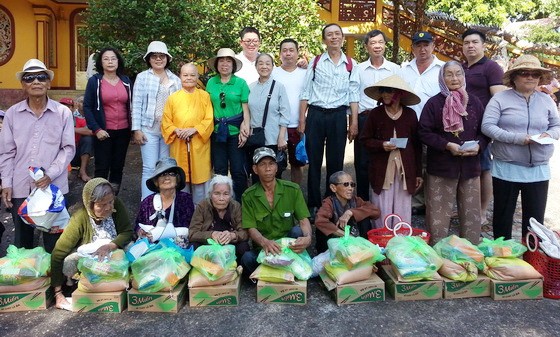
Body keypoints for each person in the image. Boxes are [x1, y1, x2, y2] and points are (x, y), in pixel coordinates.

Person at [0, 59, 75, 252]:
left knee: (54, 243)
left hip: (53, 187)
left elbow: (68, 148)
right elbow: (7, 152)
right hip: (21, 186)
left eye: (41, 77)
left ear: (48, 83)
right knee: (23, 243)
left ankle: (54, 281)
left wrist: (50, 173)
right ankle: (29, 281)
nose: (36, 81)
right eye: (29, 78)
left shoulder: (63, 113)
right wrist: (6, 183)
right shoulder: (12, 114)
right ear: (23, 84)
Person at [482, 54, 560, 240]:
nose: (530, 77)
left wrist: (548, 135)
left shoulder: (546, 100)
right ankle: (503, 258)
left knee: (535, 222)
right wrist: (517, 138)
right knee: (503, 217)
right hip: (506, 167)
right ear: (514, 77)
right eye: (525, 73)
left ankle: (531, 259)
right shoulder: (500, 99)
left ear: (540, 78)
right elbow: (487, 126)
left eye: (535, 74)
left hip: (538, 170)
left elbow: (556, 126)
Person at [418, 61, 488, 245]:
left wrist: (479, 145)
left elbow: (485, 131)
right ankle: (438, 256)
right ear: (442, 78)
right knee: (438, 217)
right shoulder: (434, 103)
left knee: (471, 215)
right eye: (449, 74)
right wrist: (446, 144)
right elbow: (424, 132)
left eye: (458, 74)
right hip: (442, 167)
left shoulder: (474, 102)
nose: (454, 78)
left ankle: (471, 253)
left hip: (470, 167)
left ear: (464, 77)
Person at [299, 23, 360, 216]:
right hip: (316, 115)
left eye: (337, 34)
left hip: (338, 116)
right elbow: (305, 92)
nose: (334, 37)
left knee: (336, 161)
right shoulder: (316, 62)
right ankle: (314, 202)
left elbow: (354, 95)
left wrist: (354, 123)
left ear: (342, 37)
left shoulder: (351, 64)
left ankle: (332, 201)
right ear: (324, 40)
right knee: (314, 161)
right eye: (329, 35)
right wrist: (302, 120)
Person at [50, 178, 133, 310]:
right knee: (68, 262)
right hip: (91, 261)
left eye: (110, 202)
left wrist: (110, 246)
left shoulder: (117, 204)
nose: (108, 208)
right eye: (101, 205)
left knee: (135, 249)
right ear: (90, 204)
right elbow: (58, 253)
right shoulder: (79, 218)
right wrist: (58, 294)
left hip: (114, 251)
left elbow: (127, 231)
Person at [360, 75, 423, 228]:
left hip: (404, 168)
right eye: (383, 91)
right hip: (382, 168)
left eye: (389, 91)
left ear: (399, 93)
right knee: (382, 204)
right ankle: (381, 239)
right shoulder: (375, 114)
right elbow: (365, 139)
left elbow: (417, 145)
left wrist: (418, 173)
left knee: (402, 203)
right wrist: (382, 145)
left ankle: (401, 239)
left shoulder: (410, 115)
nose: (385, 95)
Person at [241, 147, 312, 276]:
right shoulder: (248, 196)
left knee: (297, 231)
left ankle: (278, 272)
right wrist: (265, 242)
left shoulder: (292, 189)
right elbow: (250, 228)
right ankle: (273, 274)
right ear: (255, 169)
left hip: (288, 247)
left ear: (276, 167)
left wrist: (308, 238)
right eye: (262, 164)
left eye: (271, 164)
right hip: (265, 249)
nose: (268, 168)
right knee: (247, 258)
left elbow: (303, 220)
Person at [461, 29, 506, 226]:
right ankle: (467, 207)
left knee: (484, 168)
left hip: (482, 127)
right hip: (461, 126)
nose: (470, 46)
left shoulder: (491, 67)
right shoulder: (461, 68)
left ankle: (482, 210)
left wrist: (492, 126)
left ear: (483, 45)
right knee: (467, 167)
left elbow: (499, 98)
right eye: (466, 43)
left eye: (474, 42)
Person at [401, 31, 445, 215]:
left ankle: (433, 202)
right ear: (412, 49)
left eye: (426, 45)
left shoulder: (442, 69)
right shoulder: (404, 69)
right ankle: (415, 201)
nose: (422, 49)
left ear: (433, 46)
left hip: (434, 127)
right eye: (418, 45)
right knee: (412, 162)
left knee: (433, 164)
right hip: (409, 126)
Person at [132, 41, 182, 200]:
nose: (158, 59)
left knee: (165, 167)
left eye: (162, 56)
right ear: (149, 59)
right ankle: (147, 205)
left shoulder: (175, 79)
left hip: (168, 131)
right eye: (154, 56)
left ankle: (164, 204)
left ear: (167, 58)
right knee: (149, 168)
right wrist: (136, 129)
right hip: (148, 129)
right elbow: (137, 104)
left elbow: (180, 106)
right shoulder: (142, 77)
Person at [355, 30, 400, 201]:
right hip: (364, 118)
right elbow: (354, 96)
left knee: (385, 158)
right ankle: (362, 201)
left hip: (387, 118)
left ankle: (384, 200)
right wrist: (352, 122)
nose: (377, 46)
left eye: (380, 42)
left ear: (385, 45)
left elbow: (400, 95)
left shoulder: (395, 69)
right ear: (366, 46)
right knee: (362, 162)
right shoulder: (358, 69)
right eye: (373, 43)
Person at [161, 63, 214, 204]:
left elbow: (209, 119)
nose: (189, 78)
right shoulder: (173, 98)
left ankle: (200, 213)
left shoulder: (204, 96)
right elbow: (166, 121)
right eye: (185, 75)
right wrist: (176, 130)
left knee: (200, 180)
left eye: (192, 75)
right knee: (180, 178)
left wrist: (195, 129)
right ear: (180, 77)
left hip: (199, 144)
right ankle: (181, 212)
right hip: (179, 143)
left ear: (198, 77)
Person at [83, 47, 132, 194]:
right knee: (102, 167)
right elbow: (87, 107)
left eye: (113, 58)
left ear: (118, 61)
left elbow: (131, 105)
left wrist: (134, 129)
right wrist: (96, 129)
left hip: (123, 131)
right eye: (106, 58)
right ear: (100, 62)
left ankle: (113, 201)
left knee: (118, 167)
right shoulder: (95, 81)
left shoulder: (126, 81)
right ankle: (98, 201)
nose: (110, 61)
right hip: (104, 132)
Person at [206, 48, 250, 202]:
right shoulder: (211, 82)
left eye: (228, 61)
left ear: (233, 64)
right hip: (217, 132)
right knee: (219, 171)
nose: (225, 64)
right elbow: (207, 107)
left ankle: (240, 206)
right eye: (222, 61)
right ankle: (220, 205)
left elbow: (246, 108)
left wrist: (246, 127)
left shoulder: (240, 83)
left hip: (236, 132)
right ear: (217, 64)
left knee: (238, 170)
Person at [247, 53, 290, 179]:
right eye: (260, 63)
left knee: (274, 176)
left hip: (274, 138)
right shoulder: (250, 87)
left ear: (272, 67)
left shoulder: (279, 87)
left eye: (267, 63)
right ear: (256, 66)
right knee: (257, 175)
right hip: (255, 138)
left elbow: (285, 113)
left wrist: (281, 137)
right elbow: (248, 112)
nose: (264, 66)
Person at [315, 171, 380, 253]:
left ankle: (364, 248)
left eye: (352, 185)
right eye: (346, 184)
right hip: (335, 243)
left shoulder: (356, 200)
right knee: (321, 229)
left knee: (365, 218)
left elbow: (375, 211)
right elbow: (319, 221)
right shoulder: (329, 202)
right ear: (333, 188)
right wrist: (346, 235)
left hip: (355, 240)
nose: (350, 188)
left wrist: (350, 212)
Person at [135, 157, 194, 248]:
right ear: (156, 181)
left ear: (177, 179)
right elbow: (138, 226)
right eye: (162, 174)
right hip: (152, 249)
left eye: (171, 174)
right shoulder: (147, 202)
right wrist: (141, 232)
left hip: (178, 250)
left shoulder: (185, 199)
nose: (167, 177)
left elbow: (191, 228)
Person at [189, 175, 249, 261]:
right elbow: (192, 233)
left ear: (231, 196)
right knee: (193, 246)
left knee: (243, 247)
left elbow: (244, 233)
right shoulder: (202, 206)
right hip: (208, 248)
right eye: (217, 193)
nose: (221, 198)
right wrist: (211, 235)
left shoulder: (235, 206)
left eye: (226, 194)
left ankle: (239, 271)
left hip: (230, 247)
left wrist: (232, 235)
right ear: (210, 195)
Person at [271, 38, 307, 185]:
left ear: (297, 53)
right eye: (284, 50)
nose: (288, 54)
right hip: (276, 126)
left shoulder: (305, 73)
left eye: (291, 50)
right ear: (279, 54)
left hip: (297, 125)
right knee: (275, 164)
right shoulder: (273, 73)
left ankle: (295, 196)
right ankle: (276, 196)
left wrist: (302, 121)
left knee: (297, 164)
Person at [67, 96, 94, 182]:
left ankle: (82, 171)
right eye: (82, 101)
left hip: (79, 150)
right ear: (77, 104)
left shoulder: (89, 116)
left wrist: (69, 128)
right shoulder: (66, 116)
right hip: (66, 151)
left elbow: (90, 131)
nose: (84, 104)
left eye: (69, 106)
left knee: (88, 139)